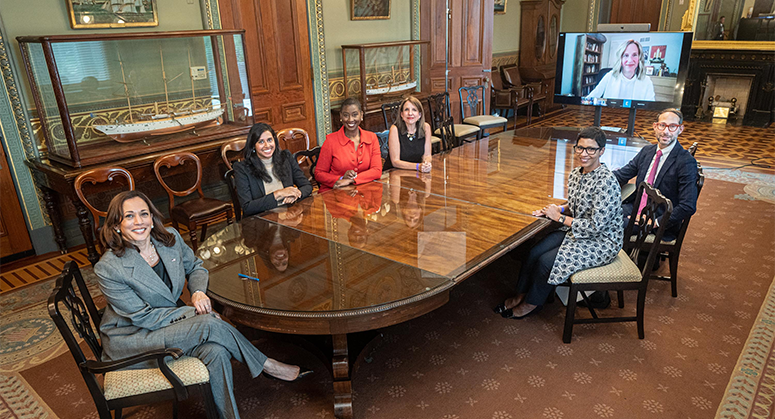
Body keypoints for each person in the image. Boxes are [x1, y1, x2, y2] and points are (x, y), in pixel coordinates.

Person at [94, 191, 310, 419]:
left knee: (216, 351)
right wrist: (192, 314)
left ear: (152, 218)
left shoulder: (170, 239)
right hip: (135, 338)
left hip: (168, 326)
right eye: (129, 216)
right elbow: (142, 317)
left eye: (143, 214)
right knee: (209, 324)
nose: (139, 222)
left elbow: (196, 266)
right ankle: (268, 366)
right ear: (116, 225)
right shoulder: (109, 267)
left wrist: (197, 291)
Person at [494, 127, 623, 319]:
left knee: (546, 262)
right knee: (534, 252)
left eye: (590, 149)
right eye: (580, 148)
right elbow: (575, 205)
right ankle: (520, 295)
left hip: (601, 241)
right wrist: (557, 209)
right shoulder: (576, 174)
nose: (583, 154)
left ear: (601, 151)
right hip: (578, 230)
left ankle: (532, 303)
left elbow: (597, 226)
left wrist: (559, 218)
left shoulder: (607, 182)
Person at [613, 108, 698, 242]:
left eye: (672, 127)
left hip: (658, 218)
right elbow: (623, 174)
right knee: (600, 215)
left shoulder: (685, 162)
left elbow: (688, 206)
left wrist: (655, 222)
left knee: (608, 226)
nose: (665, 131)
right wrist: (596, 176)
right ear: (655, 127)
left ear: (680, 129)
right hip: (635, 207)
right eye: (662, 125)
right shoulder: (647, 151)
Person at [233, 123, 312, 217]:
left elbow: (307, 186)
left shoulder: (285, 157)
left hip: (289, 214)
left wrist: (295, 195)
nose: (267, 145)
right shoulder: (242, 168)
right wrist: (278, 194)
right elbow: (247, 207)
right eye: (261, 142)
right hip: (262, 220)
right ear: (253, 145)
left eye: (269, 140)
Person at [315, 97, 382, 191]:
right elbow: (319, 174)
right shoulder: (331, 141)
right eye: (346, 115)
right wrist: (341, 178)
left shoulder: (372, 138)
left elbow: (377, 171)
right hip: (335, 194)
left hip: (364, 193)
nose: (350, 119)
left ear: (361, 115)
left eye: (355, 115)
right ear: (340, 117)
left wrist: (352, 180)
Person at [585, 40, 655, 101]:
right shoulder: (609, 76)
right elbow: (590, 98)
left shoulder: (647, 82)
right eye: (626, 55)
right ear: (620, 58)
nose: (630, 60)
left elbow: (650, 109)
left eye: (634, 55)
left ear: (639, 58)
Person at [385, 96, 433, 172]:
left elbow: (427, 155)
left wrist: (426, 164)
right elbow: (395, 162)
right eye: (406, 110)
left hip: (416, 172)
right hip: (395, 172)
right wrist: (418, 166)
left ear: (420, 114)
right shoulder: (394, 129)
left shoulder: (426, 127)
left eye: (414, 110)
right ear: (401, 114)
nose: (410, 113)